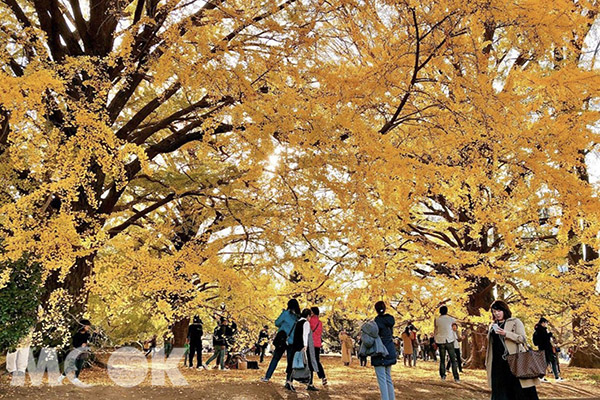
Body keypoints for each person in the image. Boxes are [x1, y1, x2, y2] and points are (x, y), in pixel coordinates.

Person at [486, 300, 540, 400]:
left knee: (519, 390)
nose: (496, 313)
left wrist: (506, 334)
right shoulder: (492, 326)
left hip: (515, 360)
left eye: (499, 311)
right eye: (494, 311)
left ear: (504, 310)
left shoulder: (515, 322)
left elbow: (522, 339)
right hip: (498, 363)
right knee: (500, 391)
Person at [262, 299, 300, 382]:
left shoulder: (285, 314)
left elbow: (277, 323)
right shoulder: (298, 317)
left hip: (282, 340)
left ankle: (267, 377)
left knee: (275, 358)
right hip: (292, 341)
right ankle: (289, 380)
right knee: (290, 361)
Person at [287, 308, 319, 392]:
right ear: (308, 316)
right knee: (309, 363)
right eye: (310, 316)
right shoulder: (306, 323)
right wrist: (305, 345)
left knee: (294, 363)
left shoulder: (298, 322)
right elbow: (305, 334)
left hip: (296, 345)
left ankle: (289, 381)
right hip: (303, 346)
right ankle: (310, 383)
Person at [371, 301, 397, 400]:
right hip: (390, 350)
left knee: (382, 379)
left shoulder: (376, 322)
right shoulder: (390, 321)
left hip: (380, 351)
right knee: (388, 378)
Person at [58, 319, 93, 386]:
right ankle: (61, 377)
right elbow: (75, 344)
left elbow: (91, 340)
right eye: (87, 326)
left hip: (83, 352)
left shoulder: (87, 334)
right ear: (83, 326)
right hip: (76, 351)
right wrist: (81, 344)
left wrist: (96, 333)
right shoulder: (77, 334)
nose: (88, 327)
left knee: (79, 365)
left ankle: (75, 378)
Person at [434, 305, 460, 382]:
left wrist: (435, 339)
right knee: (453, 359)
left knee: (442, 359)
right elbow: (454, 328)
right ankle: (456, 377)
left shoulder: (437, 319)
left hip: (440, 340)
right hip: (449, 340)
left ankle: (442, 376)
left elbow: (435, 330)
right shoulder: (451, 319)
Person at [309, 306, 328, 386]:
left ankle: (310, 381)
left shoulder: (310, 321)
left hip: (311, 343)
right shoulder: (320, 322)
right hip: (317, 343)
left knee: (310, 362)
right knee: (317, 361)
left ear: (313, 312)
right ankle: (322, 376)